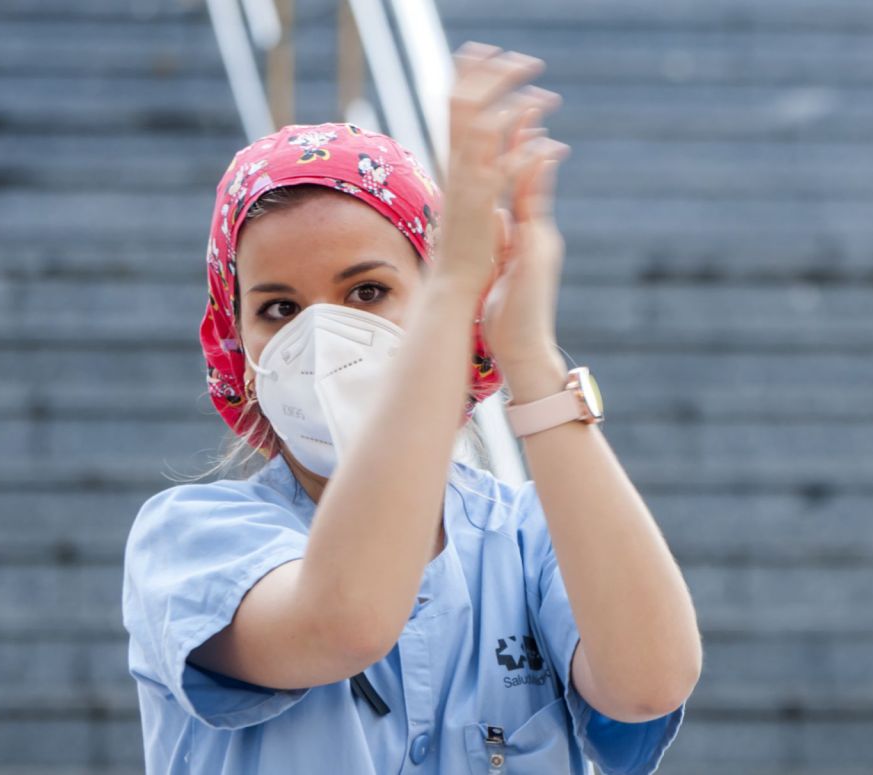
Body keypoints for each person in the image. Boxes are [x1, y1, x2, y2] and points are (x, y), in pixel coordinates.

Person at [122, 41, 702, 774]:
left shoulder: (527, 541)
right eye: (278, 307)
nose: (322, 337)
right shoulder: (191, 543)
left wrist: (526, 355)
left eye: (367, 291)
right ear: (235, 338)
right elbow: (343, 618)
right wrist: (454, 286)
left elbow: (650, 681)